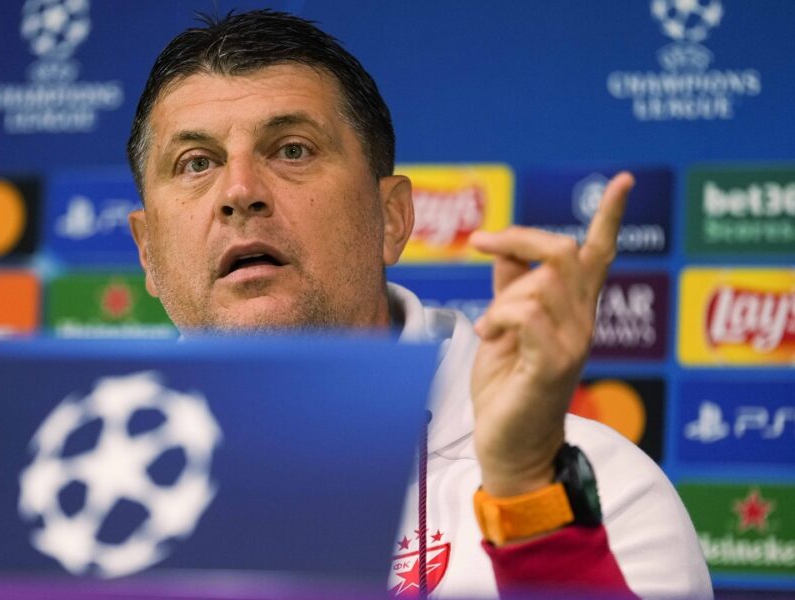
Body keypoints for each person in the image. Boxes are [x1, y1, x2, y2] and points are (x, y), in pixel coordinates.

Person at [125, 9, 711, 599]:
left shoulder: (595, 494)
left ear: (393, 218)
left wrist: (529, 499)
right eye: (196, 163)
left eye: (293, 150)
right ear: (147, 251)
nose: (240, 191)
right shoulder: (83, 500)